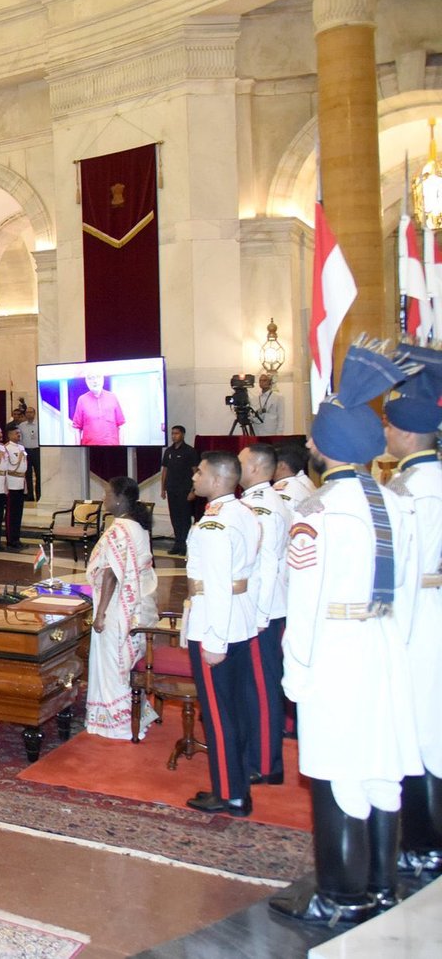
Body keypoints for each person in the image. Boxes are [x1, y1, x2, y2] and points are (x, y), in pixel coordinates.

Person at [272, 343, 422, 923]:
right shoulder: (397, 502)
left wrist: (297, 673)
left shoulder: (317, 514)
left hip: (335, 652)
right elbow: (408, 590)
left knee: (338, 772)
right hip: (385, 644)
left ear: (325, 445)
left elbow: (305, 606)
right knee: (382, 768)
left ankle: (340, 897)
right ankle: (383, 886)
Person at [385, 341, 442, 879]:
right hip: (434, 608)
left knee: (419, 728)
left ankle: (424, 841)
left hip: (416, 618)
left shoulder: (409, 490)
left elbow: (399, 570)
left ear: (404, 433)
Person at [182, 450, 261, 817]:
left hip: (216, 625)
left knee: (218, 714)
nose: (194, 477)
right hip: (240, 620)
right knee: (237, 708)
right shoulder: (245, 512)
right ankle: (238, 785)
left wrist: (214, 641)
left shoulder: (213, 524)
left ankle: (229, 793)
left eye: (199, 472)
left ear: (216, 480)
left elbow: (215, 585)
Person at [84, 476, 157, 740]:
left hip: (117, 606)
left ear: (119, 499)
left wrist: (100, 613)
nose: (104, 499)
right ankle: (134, 715)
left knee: (111, 662)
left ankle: (116, 722)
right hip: (136, 603)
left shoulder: (119, 530)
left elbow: (111, 573)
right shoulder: (138, 526)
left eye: (107, 494)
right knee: (124, 661)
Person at [239, 442, 290, 786]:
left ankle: (266, 763)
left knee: (261, 687)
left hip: (263, 611)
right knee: (253, 686)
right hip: (261, 609)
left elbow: (268, 563)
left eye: (241, 462)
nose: (237, 467)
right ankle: (257, 754)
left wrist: (259, 615)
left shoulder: (263, 506)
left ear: (256, 468)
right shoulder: (260, 500)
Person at [160, 426, 200, 555]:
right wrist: (163, 488)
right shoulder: (168, 451)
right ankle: (177, 543)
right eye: (172, 433)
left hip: (185, 490)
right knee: (175, 517)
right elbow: (165, 471)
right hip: (172, 489)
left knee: (184, 517)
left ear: (183, 434)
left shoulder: (190, 451)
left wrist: (193, 490)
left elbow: (195, 472)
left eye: (176, 433)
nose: (174, 436)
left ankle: (185, 544)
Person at [71, 374, 126, 446]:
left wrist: (121, 448)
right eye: (91, 378)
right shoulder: (82, 400)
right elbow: (77, 428)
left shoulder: (112, 397)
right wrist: (78, 449)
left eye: (98, 377)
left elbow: (121, 425)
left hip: (112, 449)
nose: (95, 381)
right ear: (86, 381)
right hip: (89, 450)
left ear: (102, 379)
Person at [1, 425, 28, 549]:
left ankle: (16, 538)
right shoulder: (6, 448)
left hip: (20, 483)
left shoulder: (21, 447)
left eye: (19, 433)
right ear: (10, 435)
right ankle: (11, 539)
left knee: (18, 513)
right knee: (11, 514)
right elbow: (6, 467)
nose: (18, 435)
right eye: (16, 433)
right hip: (12, 484)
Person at [17, 404, 41, 501]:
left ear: (34, 414)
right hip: (26, 451)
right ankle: (30, 495)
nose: (29, 414)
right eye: (27, 412)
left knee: (39, 473)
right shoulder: (21, 426)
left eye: (31, 412)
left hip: (37, 450)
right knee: (28, 474)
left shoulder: (39, 424)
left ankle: (39, 495)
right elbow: (19, 440)